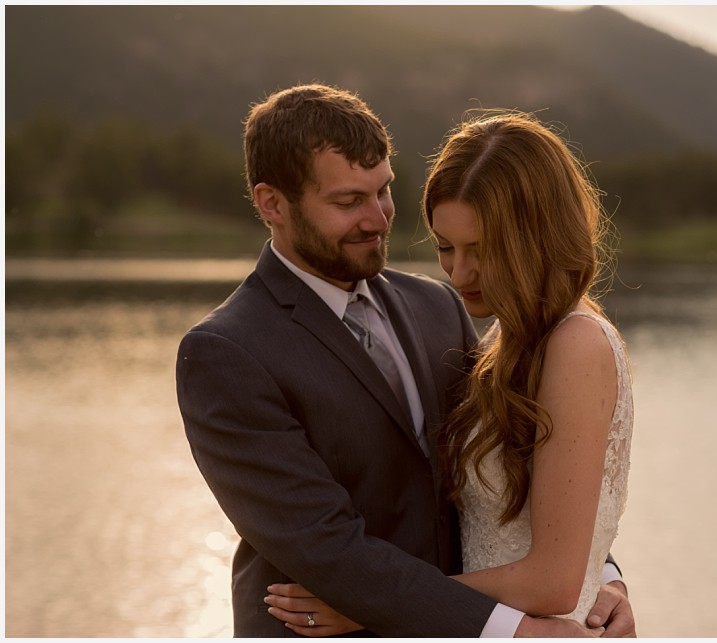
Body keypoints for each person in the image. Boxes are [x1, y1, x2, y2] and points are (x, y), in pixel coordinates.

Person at [177, 84, 634, 637]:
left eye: (384, 191)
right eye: (348, 202)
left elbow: (525, 472)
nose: (377, 219)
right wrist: (517, 630)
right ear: (272, 203)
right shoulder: (227, 352)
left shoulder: (436, 306)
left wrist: (600, 577)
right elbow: (328, 549)